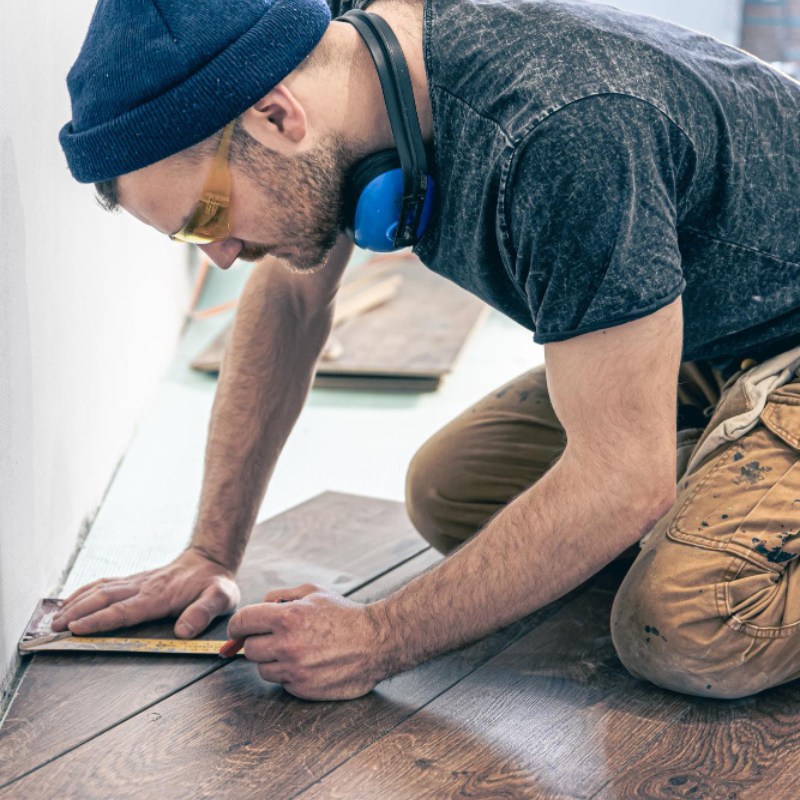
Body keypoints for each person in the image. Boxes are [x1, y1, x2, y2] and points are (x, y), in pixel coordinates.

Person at [52, 0, 800, 702]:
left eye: (205, 217)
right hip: (719, 328)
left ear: (278, 117)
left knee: (688, 622)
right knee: (453, 493)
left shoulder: (564, 135)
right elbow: (290, 295)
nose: (217, 256)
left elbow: (623, 483)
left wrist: (380, 637)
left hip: (785, 334)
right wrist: (210, 554)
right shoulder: (336, 61)